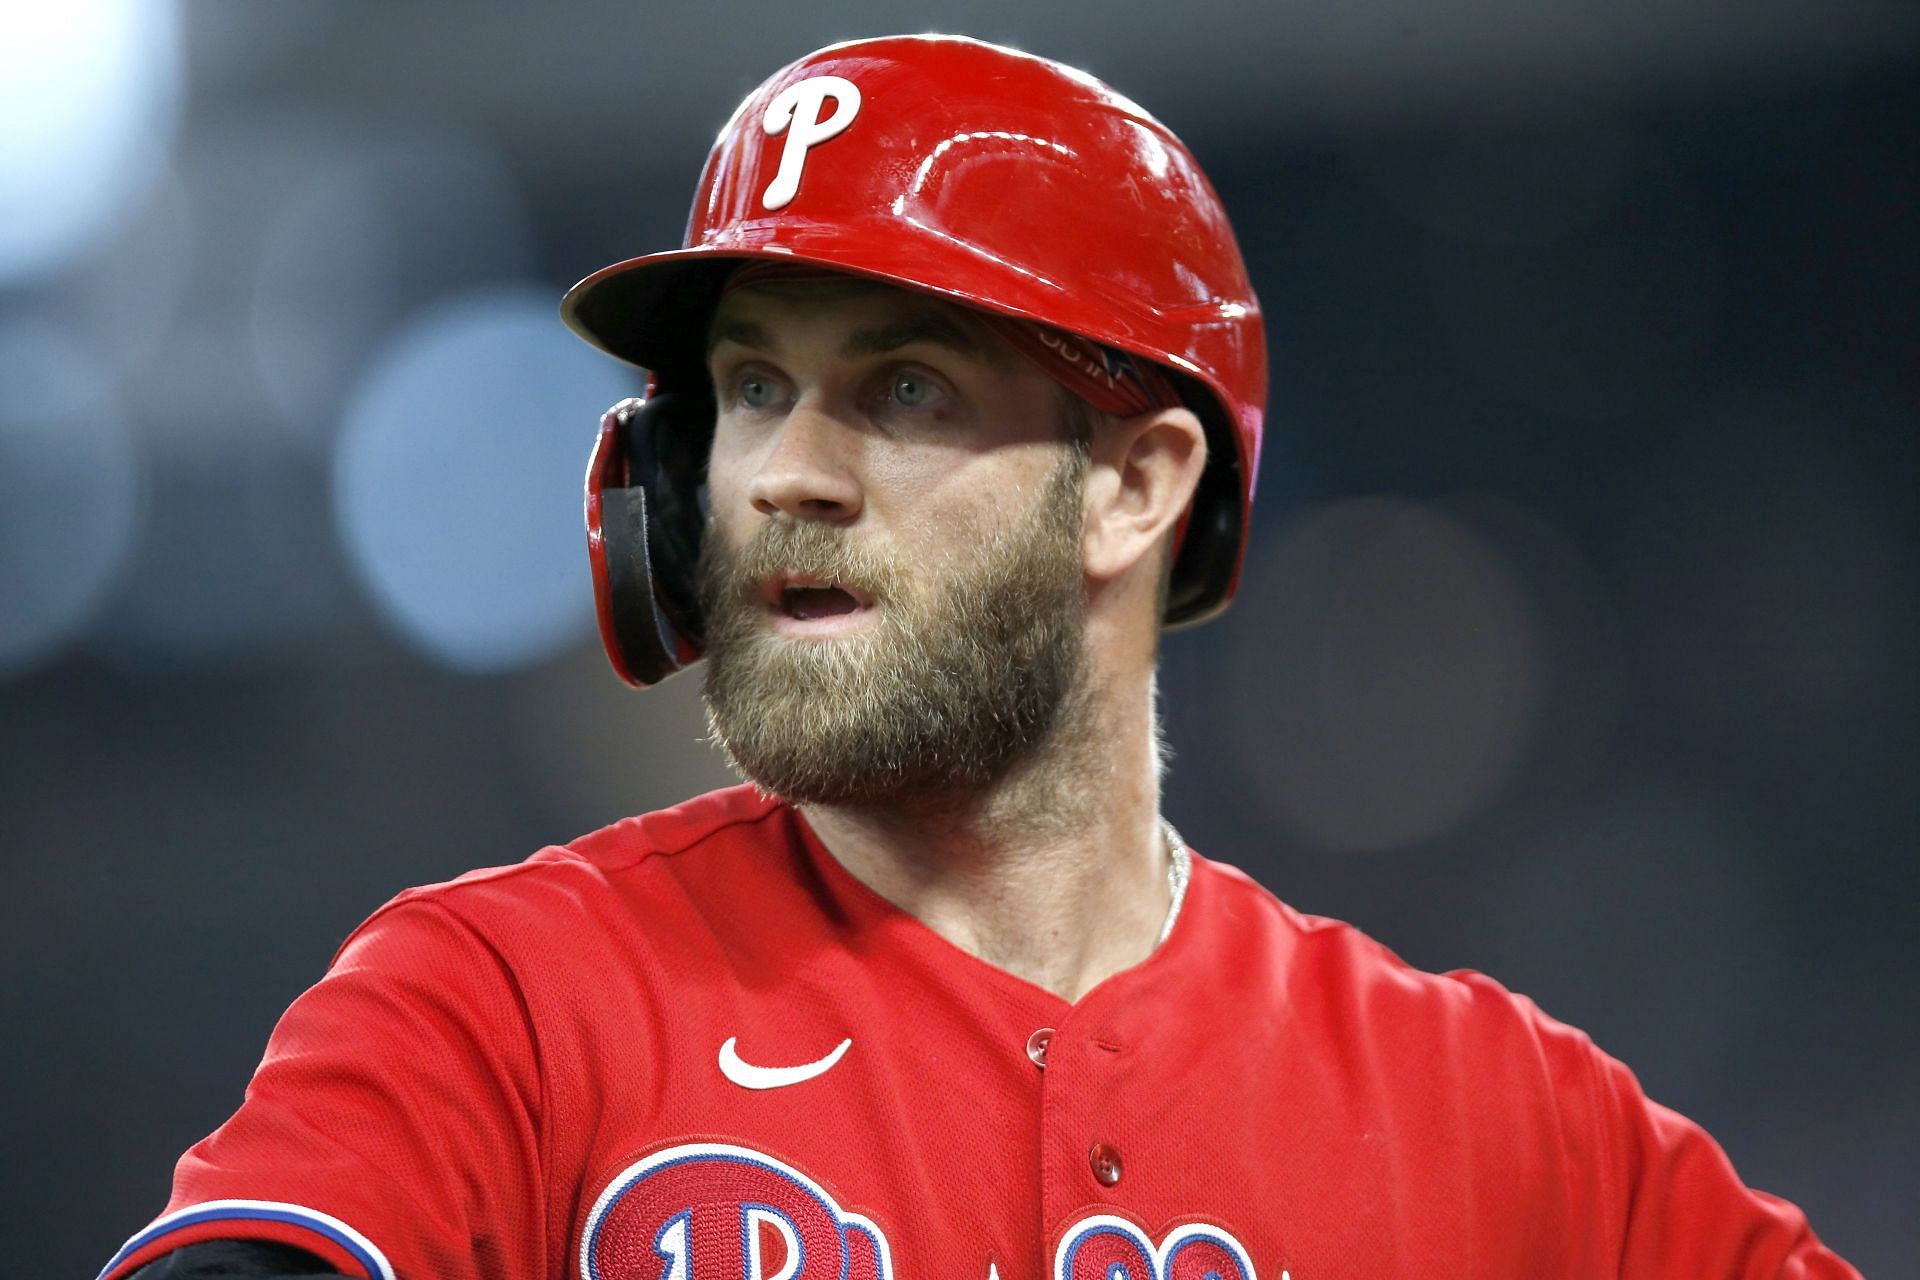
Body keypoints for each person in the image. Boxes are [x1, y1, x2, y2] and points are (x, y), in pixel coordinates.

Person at [101, 34, 1858, 1280]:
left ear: (1134, 486)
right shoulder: (498, 1006)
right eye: (755, 387)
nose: (783, 469)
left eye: (905, 389)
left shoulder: (1493, 1119)